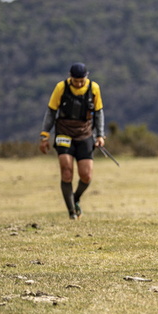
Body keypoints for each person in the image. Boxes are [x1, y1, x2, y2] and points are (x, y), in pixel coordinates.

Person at [39, 63, 106, 220]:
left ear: (86, 77)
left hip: (85, 134)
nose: (79, 84)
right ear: (70, 77)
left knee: (86, 175)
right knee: (67, 172)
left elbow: (98, 113)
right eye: (76, 81)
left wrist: (100, 135)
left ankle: (75, 198)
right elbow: (51, 112)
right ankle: (71, 212)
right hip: (64, 132)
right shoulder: (61, 88)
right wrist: (44, 135)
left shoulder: (94, 88)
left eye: (82, 81)